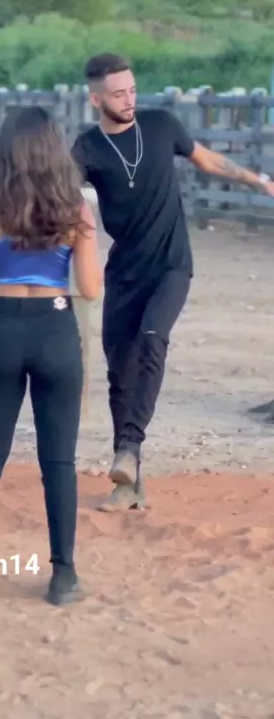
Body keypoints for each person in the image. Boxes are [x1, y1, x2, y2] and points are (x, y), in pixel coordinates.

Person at [72, 53, 274, 511]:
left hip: (171, 265)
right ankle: (129, 484)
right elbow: (61, 194)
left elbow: (207, 159)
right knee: (120, 373)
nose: (128, 99)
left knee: (152, 339)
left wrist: (257, 180)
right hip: (123, 273)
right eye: (118, 93)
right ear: (96, 99)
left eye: (132, 90)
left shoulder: (161, 125)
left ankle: (129, 449)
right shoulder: (86, 149)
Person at [0, 106, 102, 606]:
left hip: (3, 328)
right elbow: (90, 289)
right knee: (59, 460)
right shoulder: (76, 209)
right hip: (55, 328)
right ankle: (63, 575)